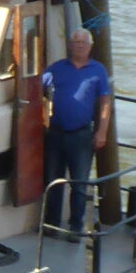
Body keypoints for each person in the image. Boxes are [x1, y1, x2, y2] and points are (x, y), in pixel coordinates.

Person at [41, 28, 114, 234]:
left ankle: (76, 227)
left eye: (83, 42)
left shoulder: (98, 70)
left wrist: (102, 132)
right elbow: (37, 90)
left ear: (90, 46)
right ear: (70, 45)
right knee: (53, 182)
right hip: (56, 132)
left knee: (79, 184)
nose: (79, 45)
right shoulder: (56, 68)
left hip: (81, 135)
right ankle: (52, 225)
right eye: (76, 42)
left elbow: (105, 103)